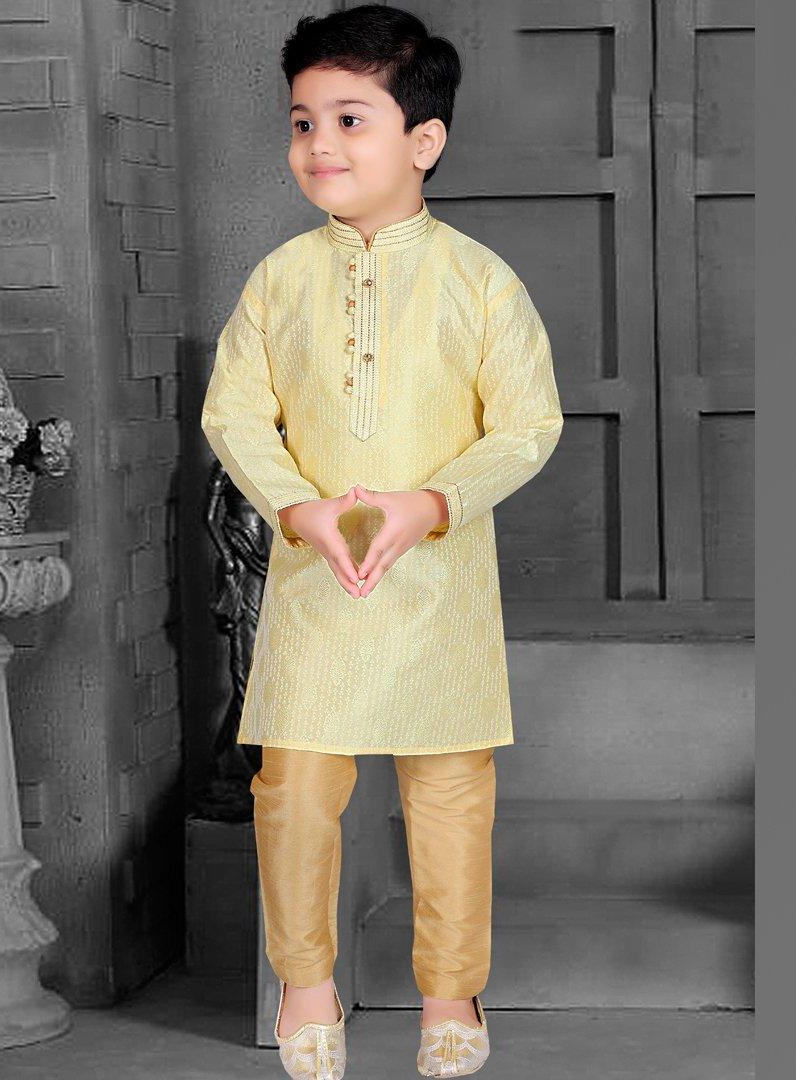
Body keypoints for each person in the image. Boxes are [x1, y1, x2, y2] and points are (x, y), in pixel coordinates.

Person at [200, 6, 564, 1077]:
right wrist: (297, 508)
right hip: (316, 579)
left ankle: (452, 995)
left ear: (424, 139)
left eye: (350, 119)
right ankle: (307, 986)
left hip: (437, 581)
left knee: (449, 792)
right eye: (302, 121)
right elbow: (233, 415)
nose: (320, 144)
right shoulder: (279, 280)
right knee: (293, 788)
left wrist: (433, 503)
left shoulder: (480, 281)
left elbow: (528, 426)